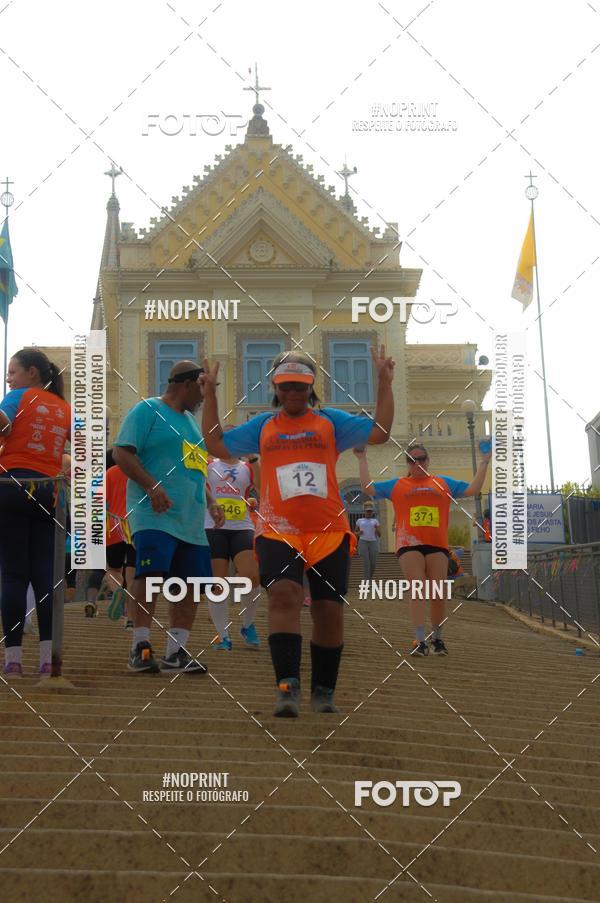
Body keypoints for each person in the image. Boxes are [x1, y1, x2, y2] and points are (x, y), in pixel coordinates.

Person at [201, 346, 395, 717]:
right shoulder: (263, 426)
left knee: (327, 610)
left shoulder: (331, 422)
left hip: (328, 530)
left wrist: (384, 382)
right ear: (276, 387)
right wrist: (210, 393)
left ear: (311, 387)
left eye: (300, 385)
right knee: (284, 598)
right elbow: (215, 443)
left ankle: (323, 690)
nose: (293, 392)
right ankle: (287, 686)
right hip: (278, 530)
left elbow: (381, 432)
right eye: (286, 385)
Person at [113, 360, 225, 673]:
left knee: (190, 585)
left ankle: (175, 652)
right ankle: (140, 646)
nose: (203, 398)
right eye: (201, 389)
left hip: (190, 522)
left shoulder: (192, 424)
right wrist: (151, 485)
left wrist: (211, 500)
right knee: (149, 577)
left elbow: (194, 468)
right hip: (153, 514)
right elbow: (122, 452)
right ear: (186, 384)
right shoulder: (147, 410)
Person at [356, 442, 491, 656]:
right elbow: (368, 488)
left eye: (421, 459)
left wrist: (484, 461)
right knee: (417, 589)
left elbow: (473, 489)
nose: (417, 463)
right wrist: (362, 458)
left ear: (428, 461)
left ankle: (437, 639)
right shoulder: (397, 484)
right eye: (412, 459)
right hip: (409, 544)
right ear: (407, 463)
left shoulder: (443, 483)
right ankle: (420, 641)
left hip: (437, 545)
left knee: (437, 594)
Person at [0, 348, 70, 677]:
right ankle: (47, 659)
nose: (8, 378)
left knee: (14, 574)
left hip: (12, 485)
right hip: (48, 492)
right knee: (45, 576)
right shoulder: (64, 408)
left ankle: (13, 659)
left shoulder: (17, 397)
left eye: (12, 372)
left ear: (31, 372)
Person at [205, 452, 261, 649]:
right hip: (213, 527)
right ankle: (223, 635)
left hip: (242, 527)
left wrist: (253, 460)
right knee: (217, 584)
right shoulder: (210, 464)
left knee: (252, 576)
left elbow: (264, 489)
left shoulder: (247, 467)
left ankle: (247, 624)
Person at [354, 501, 381, 581]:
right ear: (364, 511)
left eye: (371, 511)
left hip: (373, 542)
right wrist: (359, 533)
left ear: (372, 512)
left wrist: (376, 529)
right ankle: (366, 582)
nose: (369, 512)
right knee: (366, 563)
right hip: (363, 542)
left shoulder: (375, 521)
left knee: (373, 564)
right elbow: (355, 532)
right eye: (368, 511)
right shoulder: (359, 520)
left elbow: (380, 535)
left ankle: (367, 580)